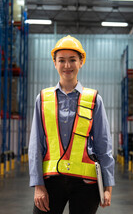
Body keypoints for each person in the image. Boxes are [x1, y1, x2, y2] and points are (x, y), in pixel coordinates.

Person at [28, 35, 115, 214]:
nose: (67, 65)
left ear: (81, 62)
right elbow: (35, 145)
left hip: (86, 184)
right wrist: (38, 185)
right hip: (51, 182)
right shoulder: (43, 99)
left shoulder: (94, 100)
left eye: (72, 60)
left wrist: (107, 187)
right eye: (61, 60)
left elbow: (103, 145)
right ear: (54, 63)